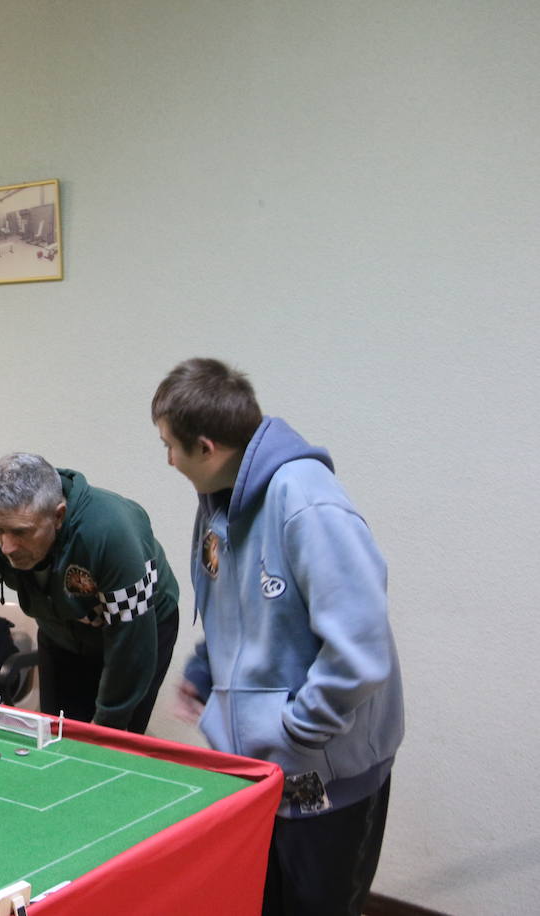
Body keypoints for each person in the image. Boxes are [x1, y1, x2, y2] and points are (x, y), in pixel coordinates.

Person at [152, 358, 404, 916]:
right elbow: (238, 608)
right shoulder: (220, 502)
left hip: (324, 771)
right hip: (262, 770)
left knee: (319, 905)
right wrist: (206, 667)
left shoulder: (307, 503)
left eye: (169, 445)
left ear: (207, 446)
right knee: (262, 901)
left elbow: (359, 653)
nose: (167, 459)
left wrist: (298, 730)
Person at [0, 453, 179, 738]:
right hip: (62, 631)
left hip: (140, 628)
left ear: (58, 516)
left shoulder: (112, 534)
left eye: (21, 532)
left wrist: (106, 727)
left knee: (111, 742)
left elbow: (131, 648)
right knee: (57, 736)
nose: (7, 547)